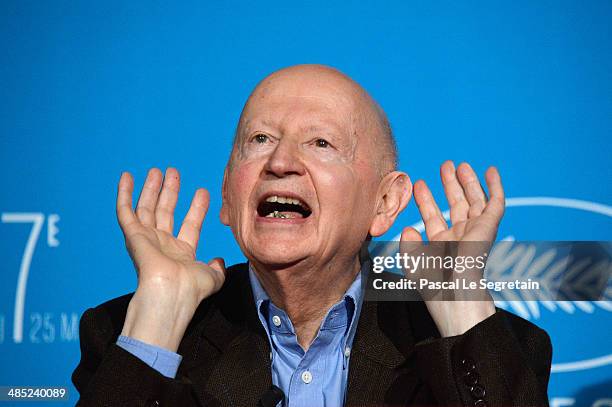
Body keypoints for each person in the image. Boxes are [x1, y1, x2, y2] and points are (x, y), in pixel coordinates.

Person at [72, 64, 552, 406]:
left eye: (321, 143)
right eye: (260, 140)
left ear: (384, 203)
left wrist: (461, 305)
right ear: (226, 194)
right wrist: (158, 316)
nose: (280, 163)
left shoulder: (491, 350)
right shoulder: (126, 338)